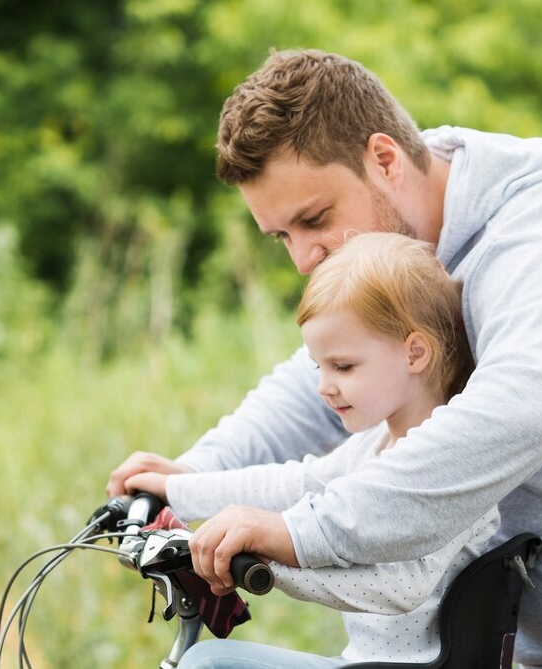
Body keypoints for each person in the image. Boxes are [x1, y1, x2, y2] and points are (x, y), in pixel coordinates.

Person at [107, 49, 542, 668]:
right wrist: (188, 479)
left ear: (384, 159)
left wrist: (297, 533)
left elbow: (512, 419)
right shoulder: (399, 257)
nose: (303, 258)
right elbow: (324, 380)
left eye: (314, 220)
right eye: (280, 236)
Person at [128, 232, 499, 667]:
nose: (324, 386)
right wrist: (179, 489)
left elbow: (400, 586)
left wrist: (264, 562)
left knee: (208, 663)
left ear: (414, 353)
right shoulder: (375, 445)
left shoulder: (452, 466)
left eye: (343, 366)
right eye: (318, 366)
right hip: (359, 661)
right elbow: (295, 483)